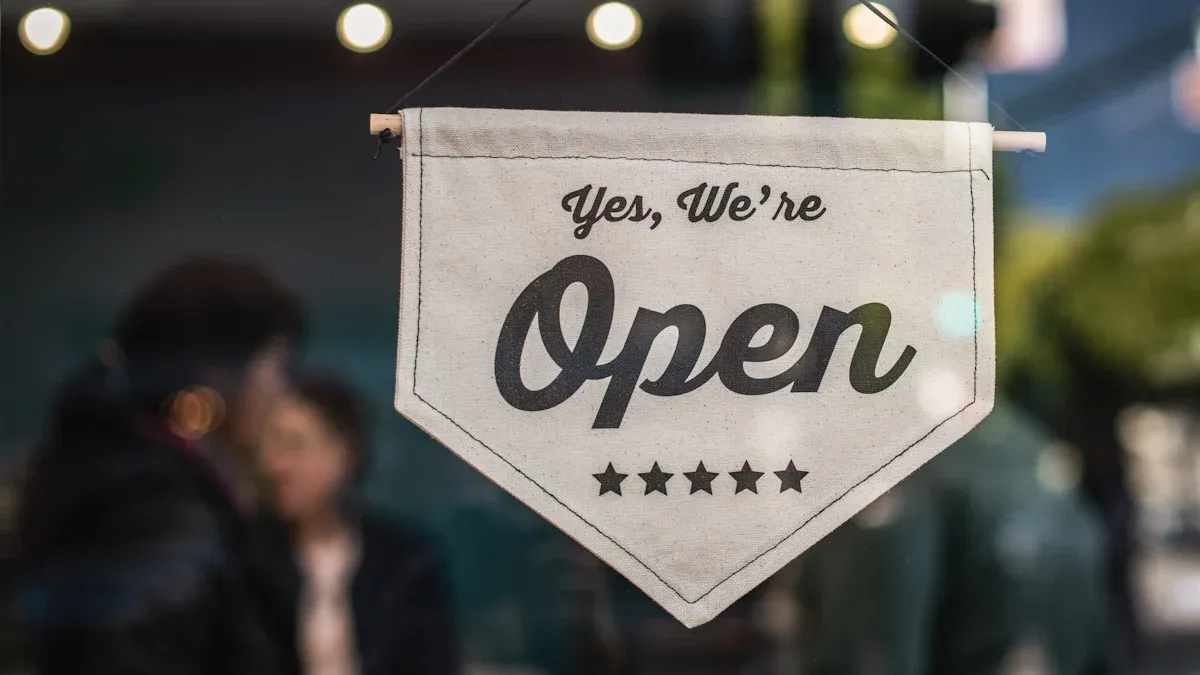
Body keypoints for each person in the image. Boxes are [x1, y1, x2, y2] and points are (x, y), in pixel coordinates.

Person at [16, 255, 305, 675]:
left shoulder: (123, 473)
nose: (283, 393)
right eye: (276, 366)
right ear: (220, 373)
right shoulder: (154, 510)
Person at [255, 371, 458, 675]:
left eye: (294, 445)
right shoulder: (251, 556)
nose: (275, 464)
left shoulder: (405, 561)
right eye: (270, 446)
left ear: (343, 452)